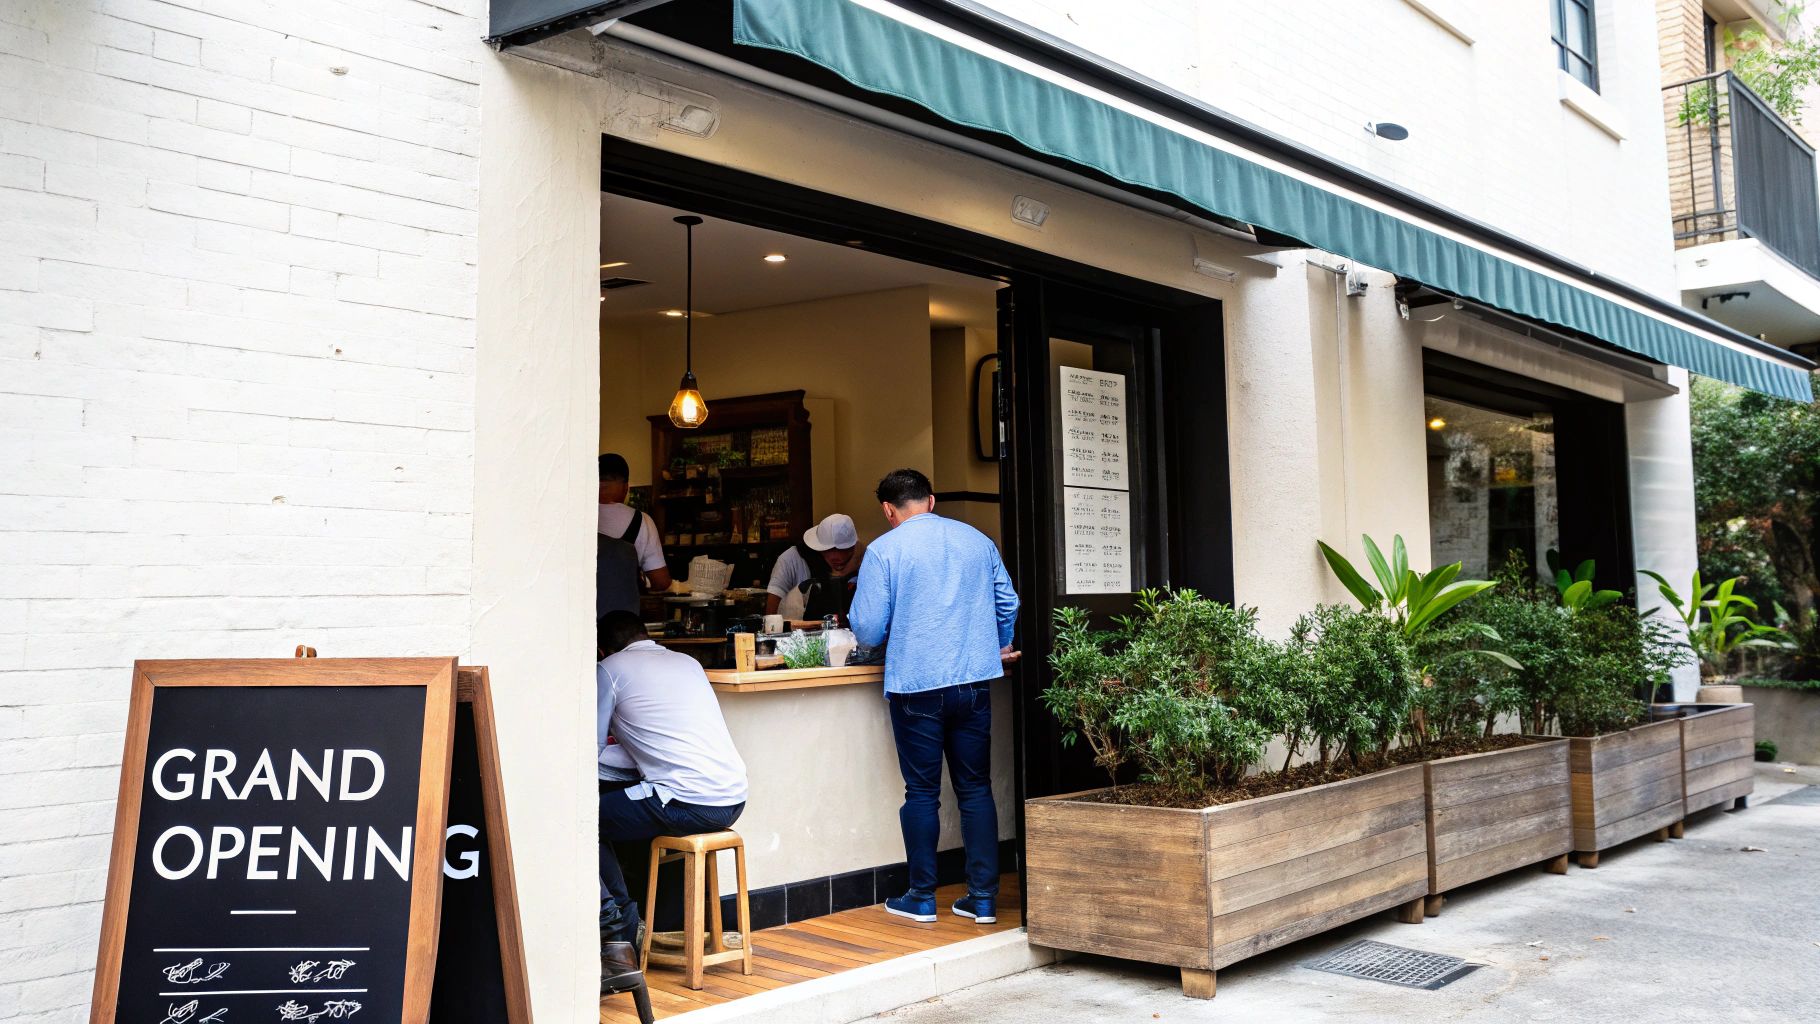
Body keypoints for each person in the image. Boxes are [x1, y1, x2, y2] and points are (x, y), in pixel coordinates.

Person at [848, 469, 1019, 926]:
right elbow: (1009, 603)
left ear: (888, 510)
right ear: (932, 500)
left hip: (917, 687)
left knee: (921, 791)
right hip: (973, 682)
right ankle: (982, 900)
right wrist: (999, 645)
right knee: (975, 787)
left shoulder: (884, 550)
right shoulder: (976, 540)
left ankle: (921, 897)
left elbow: (865, 628)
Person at [596, 611, 747, 984]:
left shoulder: (609, 669)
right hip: (732, 799)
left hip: (683, 802)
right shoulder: (688, 662)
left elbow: (590, 748)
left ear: (603, 647)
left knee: (583, 819)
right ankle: (637, 925)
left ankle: (619, 928)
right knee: (616, 810)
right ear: (645, 634)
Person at [598, 453, 670, 618]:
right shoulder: (642, 521)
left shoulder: (574, 518)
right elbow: (661, 581)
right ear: (625, 487)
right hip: (623, 620)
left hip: (577, 618)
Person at [765, 512, 864, 622]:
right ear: (818, 547)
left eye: (844, 550)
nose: (837, 557)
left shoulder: (863, 559)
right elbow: (771, 614)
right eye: (829, 550)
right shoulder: (791, 560)